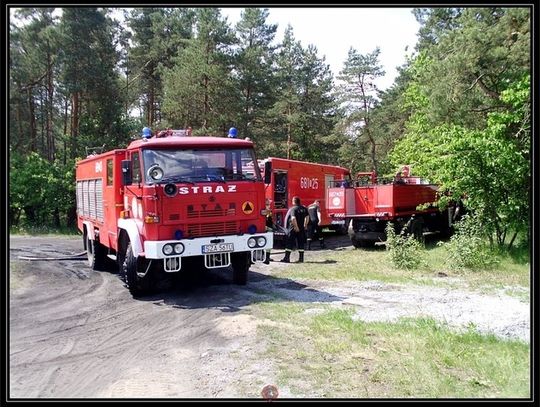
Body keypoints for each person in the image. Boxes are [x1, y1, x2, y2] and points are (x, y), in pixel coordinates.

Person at [280, 196, 309, 263]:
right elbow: (307, 217)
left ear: (294, 202)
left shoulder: (293, 209)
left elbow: (293, 218)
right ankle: (301, 259)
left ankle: (287, 258)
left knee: (289, 243)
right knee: (301, 243)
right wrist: (305, 225)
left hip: (293, 229)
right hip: (301, 228)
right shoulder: (304, 208)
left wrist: (296, 227)